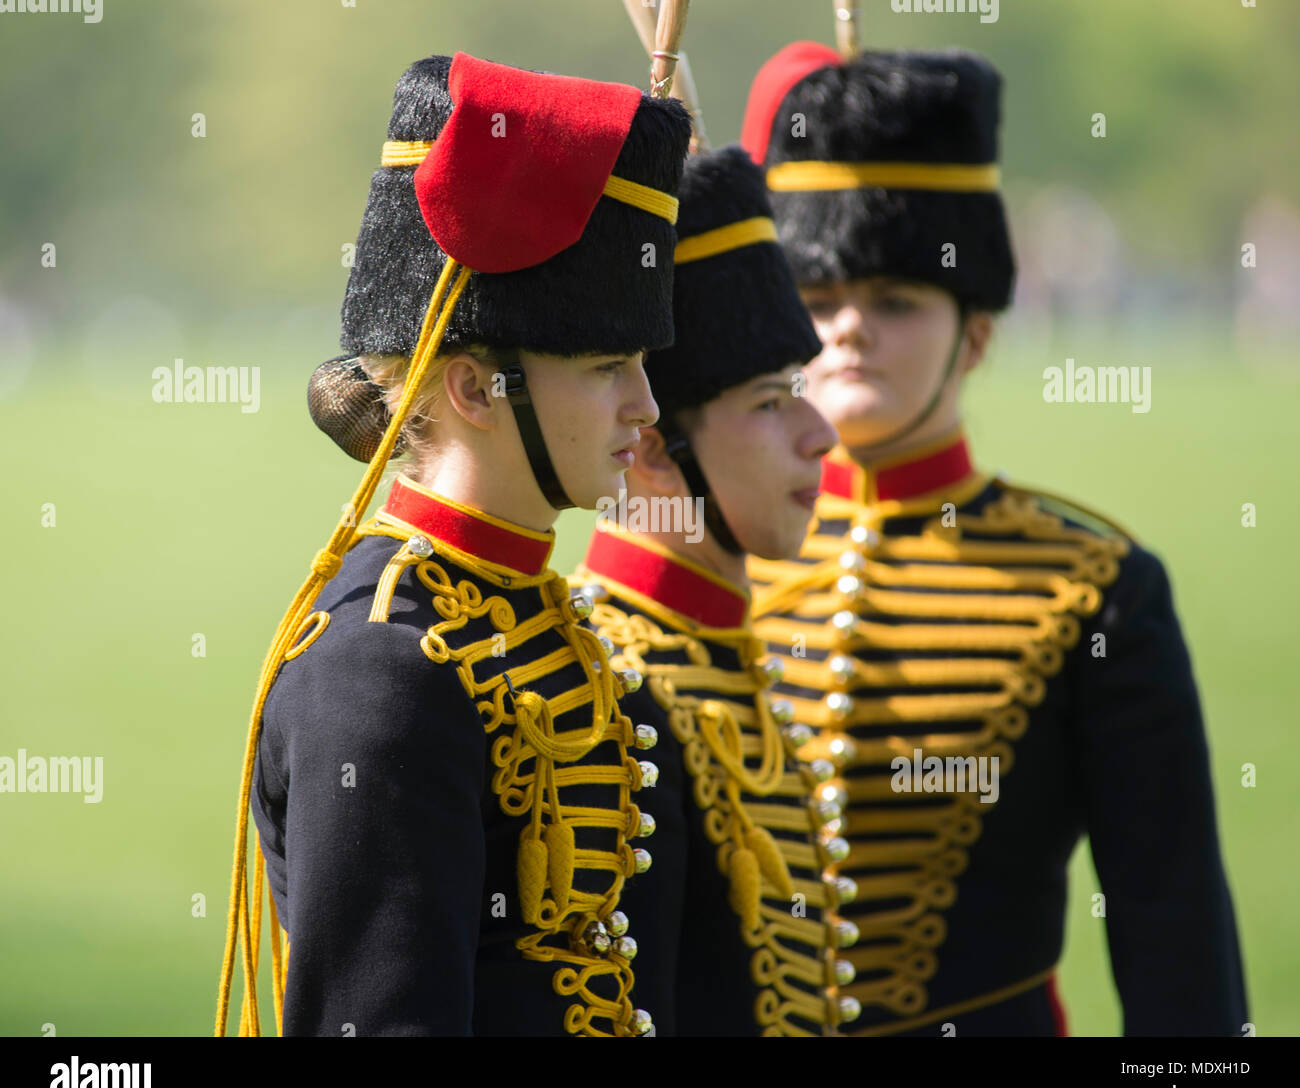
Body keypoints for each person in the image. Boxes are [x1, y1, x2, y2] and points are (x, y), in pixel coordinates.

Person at [738, 42, 1248, 1036]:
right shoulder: (717, 554)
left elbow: (1170, 926)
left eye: (893, 301)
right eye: (817, 297)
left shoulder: (1097, 587)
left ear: (974, 333)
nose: (847, 330)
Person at [214, 50, 692, 1037]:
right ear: (476, 389)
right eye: (609, 365)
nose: (646, 407)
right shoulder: (381, 668)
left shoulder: (546, 619)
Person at [569, 143, 853, 1035]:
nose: (821, 437)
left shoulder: (722, 651)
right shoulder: (606, 696)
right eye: (770, 403)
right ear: (653, 446)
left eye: (800, 391)